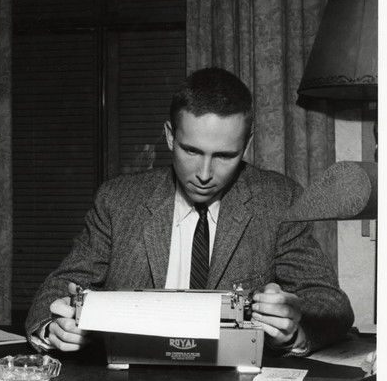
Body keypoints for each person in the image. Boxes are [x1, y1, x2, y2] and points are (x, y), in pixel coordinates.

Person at [25, 67, 354, 355]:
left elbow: (330, 304)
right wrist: (55, 328)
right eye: (192, 151)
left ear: (247, 145)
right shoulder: (118, 200)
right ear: (170, 136)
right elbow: (55, 293)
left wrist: (292, 329)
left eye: (225, 155)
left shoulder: (278, 199)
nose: (205, 173)